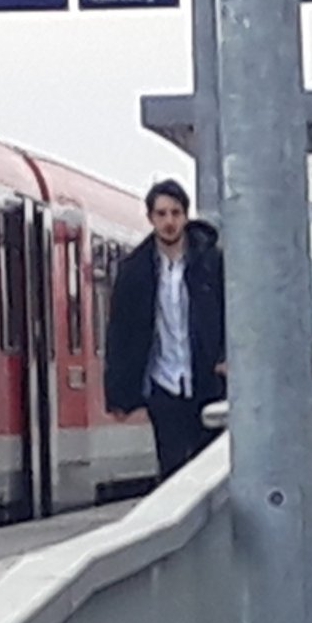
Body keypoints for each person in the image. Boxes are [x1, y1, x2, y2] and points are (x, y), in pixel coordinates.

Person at [104, 179, 227, 481]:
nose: (169, 221)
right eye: (161, 214)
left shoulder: (211, 262)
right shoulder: (134, 270)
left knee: (208, 465)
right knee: (171, 467)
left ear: (185, 216)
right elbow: (121, 331)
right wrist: (119, 394)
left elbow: (229, 311)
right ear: (151, 218)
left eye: (175, 213)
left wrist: (226, 356)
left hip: (205, 377)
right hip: (163, 381)